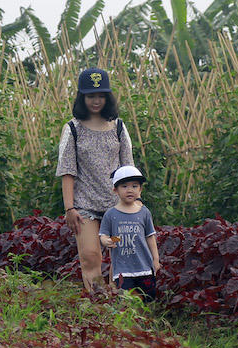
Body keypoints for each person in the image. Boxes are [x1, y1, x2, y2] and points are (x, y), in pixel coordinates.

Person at [56, 67, 134, 294]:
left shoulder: (118, 127)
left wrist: (133, 204)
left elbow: (128, 169)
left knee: (121, 259)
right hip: (84, 207)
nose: (96, 101)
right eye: (91, 96)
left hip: (116, 206)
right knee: (91, 257)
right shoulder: (73, 129)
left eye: (100, 95)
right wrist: (69, 208)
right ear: (82, 97)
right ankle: (97, 305)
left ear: (107, 97)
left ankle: (117, 306)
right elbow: (67, 171)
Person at [99, 165, 160, 301]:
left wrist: (155, 259)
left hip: (144, 267)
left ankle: (147, 322)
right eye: (124, 186)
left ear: (140, 190)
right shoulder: (111, 214)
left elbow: (150, 236)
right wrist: (106, 241)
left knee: (148, 299)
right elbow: (103, 235)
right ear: (115, 190)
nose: (130, 190)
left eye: (134, 186)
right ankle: (129, 322)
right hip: (122, 270)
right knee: (126, 303)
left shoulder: (144, 212)